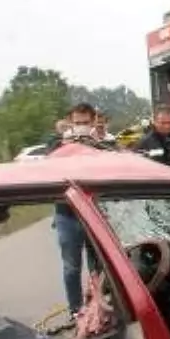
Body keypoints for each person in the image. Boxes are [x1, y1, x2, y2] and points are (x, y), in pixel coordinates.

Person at [46, 102, 105, 315]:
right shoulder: (57, 144)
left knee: (99, 265)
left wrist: (97, 141)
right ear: (69, 122)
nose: (81, 126)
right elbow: (48, 161)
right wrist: (64, 141)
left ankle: (99, 307)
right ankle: (75, 311)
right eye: (77, 122)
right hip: (67, 214)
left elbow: (115, 159)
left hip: (96, 214)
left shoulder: (102, 142)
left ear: (93, 122)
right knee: (71, 267)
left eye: (85, 122)